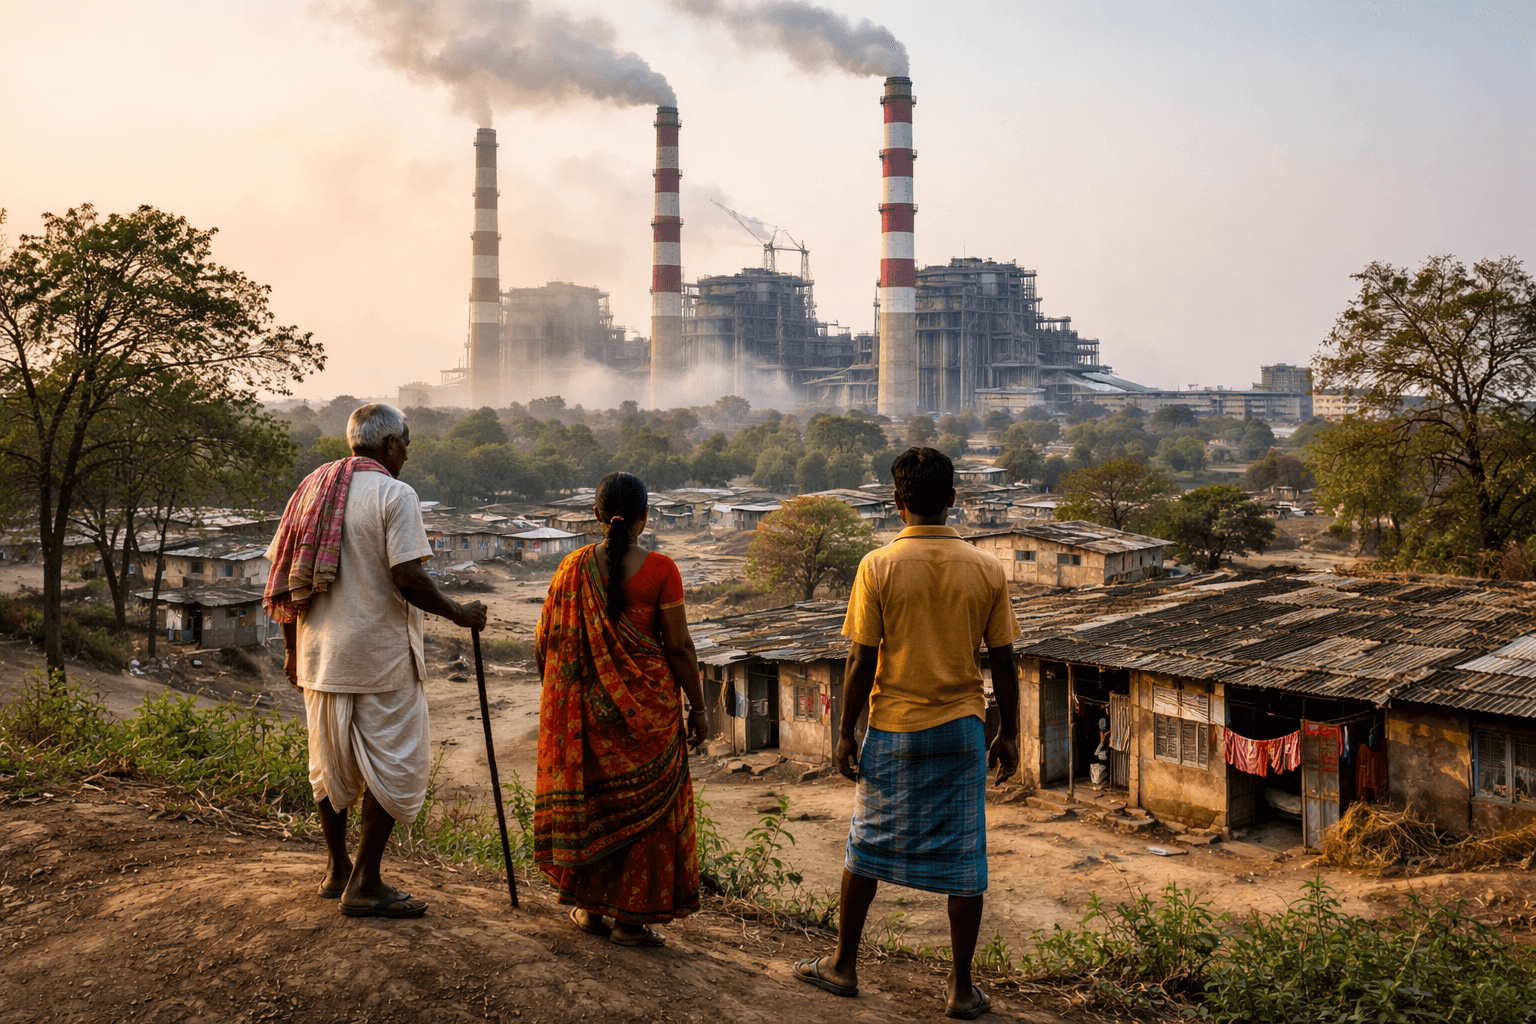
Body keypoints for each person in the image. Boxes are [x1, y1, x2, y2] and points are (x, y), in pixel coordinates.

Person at [792, 446, 1020, 1020]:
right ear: (952, 499)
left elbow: (860, 661)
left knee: (866, 843)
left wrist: (845, 732)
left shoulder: (877, 565)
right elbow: (1006, 663)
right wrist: (1009, 733)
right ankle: (960, 990)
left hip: (893, 727)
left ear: (898, 504)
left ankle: (843, 965)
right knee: (966, 858)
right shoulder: (987, 568)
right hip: (963, 730)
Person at [264, 403, 486, 918]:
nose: (408, 451)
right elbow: (408, 577)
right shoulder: (394, 493)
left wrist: (292, 653)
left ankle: (337, 869)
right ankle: (364, 882)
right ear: (389, 445)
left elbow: (283, 576)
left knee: (329, 764)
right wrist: (460, 612)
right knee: (394, 764)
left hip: (320, 654)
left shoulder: (312, 489)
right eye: (406, 441)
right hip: (380, 659)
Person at [533, 471, 708, 947]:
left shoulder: (570, 568)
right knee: (650, 814)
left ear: (596, 515)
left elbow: (546, 642)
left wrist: (575, 690)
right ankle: (630, 922)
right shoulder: (661, 570)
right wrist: (700, 708)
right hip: (649, 717)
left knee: (599, 807)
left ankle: (590, 912)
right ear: (645, 517)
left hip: (588, 718)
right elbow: (679, 648)